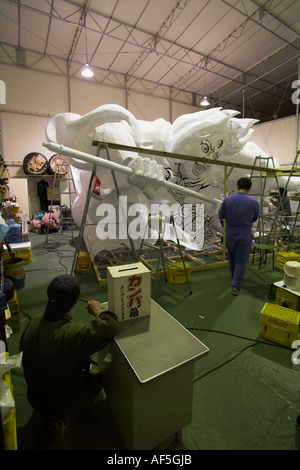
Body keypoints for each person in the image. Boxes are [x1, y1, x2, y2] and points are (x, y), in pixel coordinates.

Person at [19, 274, 119, 449]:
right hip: (61, 404)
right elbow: (110, 325)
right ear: (74, 302)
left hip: (35, 398)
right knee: (103, 376)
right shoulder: (72, 335)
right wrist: (99, 312)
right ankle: (63, 421)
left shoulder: (34, 321)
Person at [218, 177, 260, 296]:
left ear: (237, 186)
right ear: (249, 188)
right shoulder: (254, 202)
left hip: (230, 233)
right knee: (241, 260)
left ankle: (234, 277)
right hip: (245, 233)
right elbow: (254, 218)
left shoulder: (228, 200)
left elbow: (221, 215)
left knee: (232, 257)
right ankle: (236, 285)